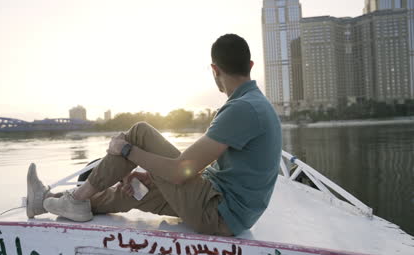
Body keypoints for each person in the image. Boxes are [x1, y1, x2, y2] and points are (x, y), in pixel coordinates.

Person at [26, 33, 282, 236]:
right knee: (135, 190)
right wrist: (151, 176)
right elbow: (191, 170)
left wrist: (126, 151)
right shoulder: (253, 103)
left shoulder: (243, 108)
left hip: (217, 213)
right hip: (217, 207)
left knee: (139, 133)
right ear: (250, 65)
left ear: (214, 70)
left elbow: (179, 170)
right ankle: (46, 202)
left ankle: (76, 198)